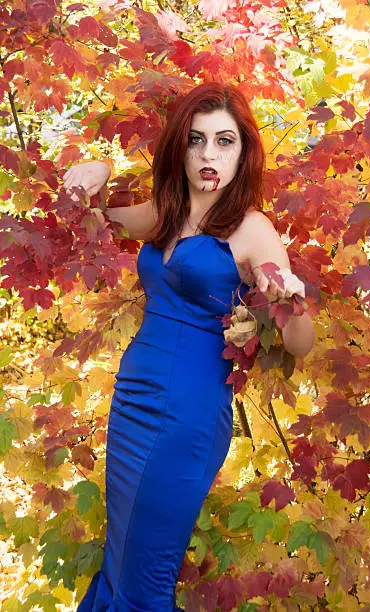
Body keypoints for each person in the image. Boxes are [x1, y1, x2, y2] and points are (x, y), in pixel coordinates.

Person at [63, 82, 315, 611]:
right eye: (197, 140)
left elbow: (301, 345)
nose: (209, 155)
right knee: (122, 555)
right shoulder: (166, 213)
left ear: (243, 151)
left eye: (225, 141)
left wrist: (291, 303)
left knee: (146, 576)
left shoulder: (252, 229)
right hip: (133, 402)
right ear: (180, 148)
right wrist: (101, 169)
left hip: (188, 413)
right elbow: (96, 219)